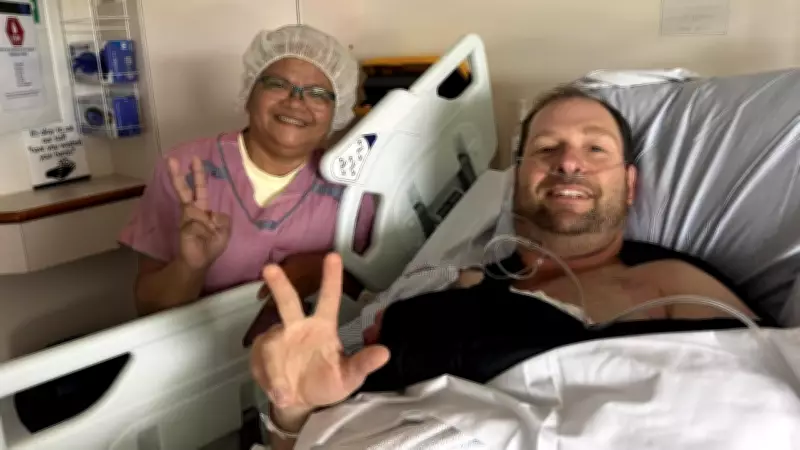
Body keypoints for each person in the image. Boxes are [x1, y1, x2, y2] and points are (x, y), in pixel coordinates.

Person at [248, 85, 764, 448]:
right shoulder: (439, 285)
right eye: (547, 148)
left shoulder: (668, 282)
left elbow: (757, 409)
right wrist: (292, 410)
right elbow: (303, 427)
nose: (569, 162)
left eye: (594, 148)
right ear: (517, 178)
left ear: (629, 186)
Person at [119, 25, 374, 316]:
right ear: (249, 94)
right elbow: (148, 307)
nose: (295, 101)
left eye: (318, 94)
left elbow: (374, 292)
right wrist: (189, 267)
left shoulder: (352, 188)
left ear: (336, 113)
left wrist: (323, 271)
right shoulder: (185, 170)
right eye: (278, 84)